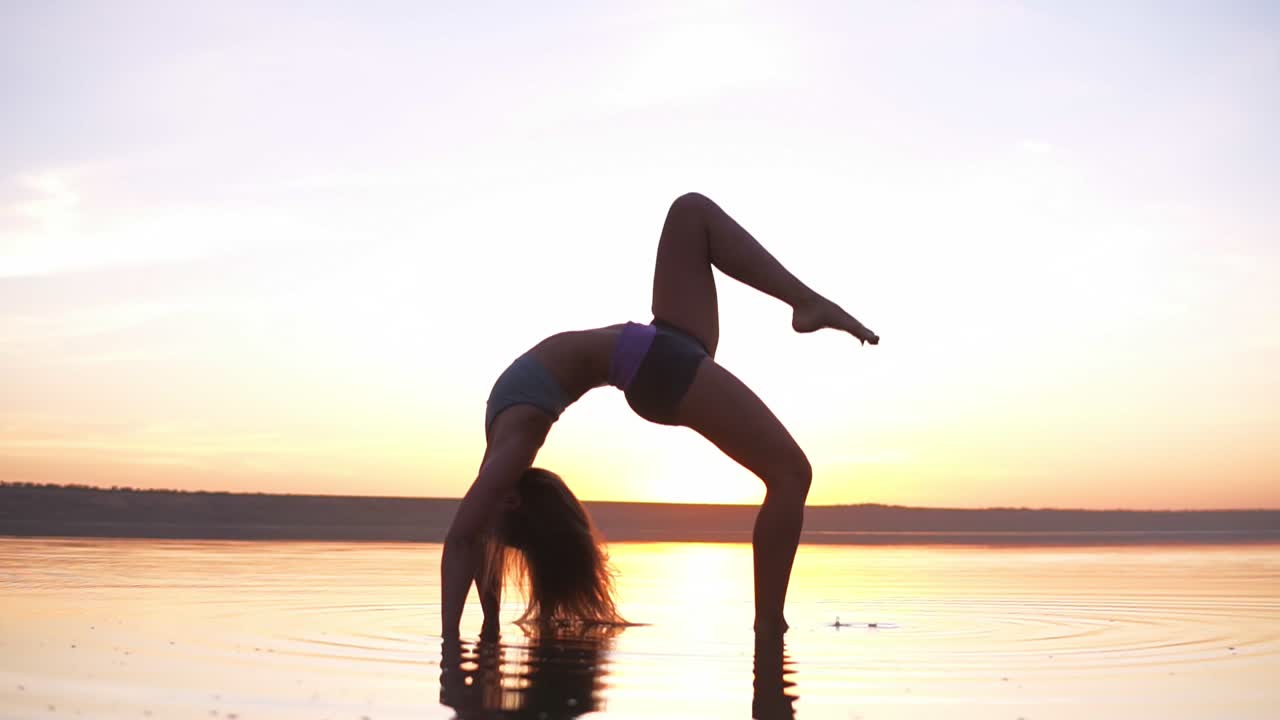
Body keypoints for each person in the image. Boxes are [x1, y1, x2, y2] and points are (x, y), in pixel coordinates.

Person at [441, 192, 879, 640]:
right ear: (512, 501)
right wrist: (450, 653)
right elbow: (462, 540)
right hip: (654, 366)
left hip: (663, 341)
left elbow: (475, 541)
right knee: (791, 475)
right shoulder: (515, 446)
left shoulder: (499, 460)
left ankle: (805, 302)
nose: (478, 511)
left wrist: (489, 626)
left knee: (691, 212)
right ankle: (770, 625)